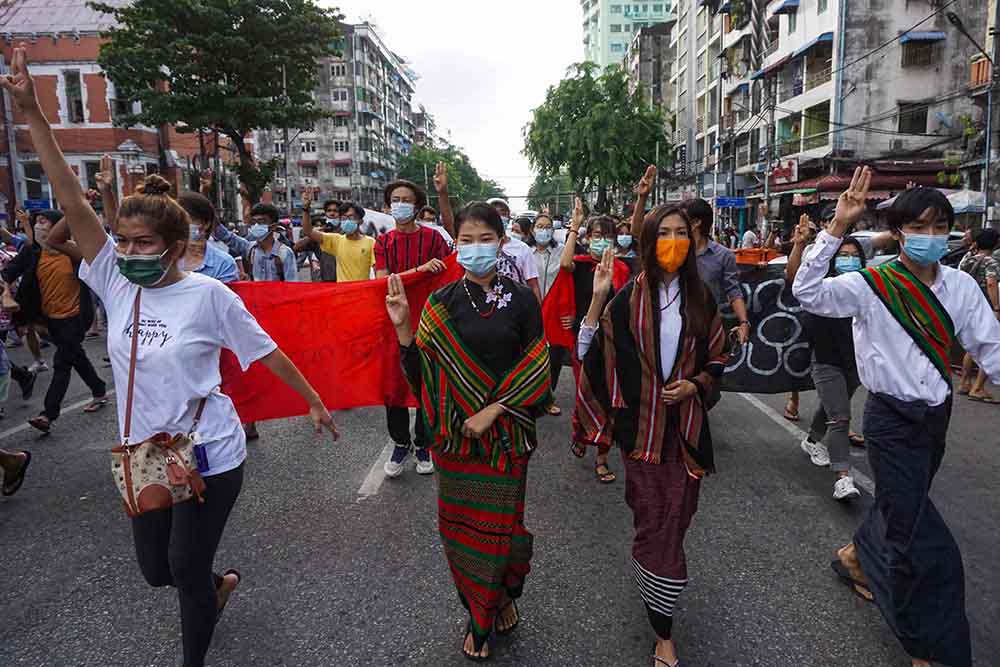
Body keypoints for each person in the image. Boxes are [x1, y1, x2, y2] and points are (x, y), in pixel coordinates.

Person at [0, 46, 340, 667]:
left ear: (176, 245)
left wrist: (314, 401)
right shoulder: (113, 280)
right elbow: (70, 199)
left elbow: (266, 354)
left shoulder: (210, 295)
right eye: (122, 240)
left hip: (208, 448)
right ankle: (215, 589)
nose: (127, 250)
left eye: (143, 242)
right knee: (156, 571)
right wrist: (32, 116)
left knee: (184, 567)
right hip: (142, 452)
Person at [792, 168, 1000, 667]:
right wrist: (836, 228)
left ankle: (855, 558)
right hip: (889, 421)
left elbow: (990, 347)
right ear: (900, 231)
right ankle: (927, 645)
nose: (931, 236)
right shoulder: (872, 284)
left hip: (935, 418)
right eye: (920, 227)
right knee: (924, 547)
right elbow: (808, 292)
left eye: (940, 226)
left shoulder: (962, 287)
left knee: (901, 508)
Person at [384, 201, 551, 661]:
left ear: (501, 242)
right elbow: (423, 377)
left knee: (504, 531)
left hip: (505, 440)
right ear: (456, 245)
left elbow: (539, 368)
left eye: (485, 239)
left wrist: (494, 409)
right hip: (455, 444)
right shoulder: (441, 303)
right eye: (466, 240)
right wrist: (402, 330)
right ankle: (479, 609)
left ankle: (499, 601)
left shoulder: (520, 299)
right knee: (461, 534)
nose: (476, 248)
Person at [576, 206, 728, 667]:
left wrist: (695, 384)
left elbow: (718, 359)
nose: (674, 242)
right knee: (654, 523)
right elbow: (589, 356)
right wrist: (598, 299)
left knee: (676, 521)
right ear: (646, 239)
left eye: (683, 233)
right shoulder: (624, 300)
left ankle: (656, 577)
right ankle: (663, 632)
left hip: (685, 434)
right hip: (640, 436)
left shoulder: (702, 299)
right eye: (664, 233)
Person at [3, 208, 108, 433]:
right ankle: (99, 389)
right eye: (37, 221)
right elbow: (7, 273)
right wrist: (6, 292)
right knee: (75, 356)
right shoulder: (32, 253)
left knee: (62, 364)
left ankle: (48, 414)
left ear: (58, 227)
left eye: (44, 222)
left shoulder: (73, 254)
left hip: (75, 318)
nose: (40, 226)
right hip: (49, 320)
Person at [786, 214, 866, 501]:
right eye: (843, 255)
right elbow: (795, 280)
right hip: (825, 359)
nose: (849, 260)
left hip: (855, 362)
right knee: (841, 417)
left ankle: (811, 441)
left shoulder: (864, 288)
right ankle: (843, 477)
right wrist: (800, 244)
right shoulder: (820, 289)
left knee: (832, 408)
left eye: (855, 256)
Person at [375, 178, 450, 478]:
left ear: (417, 206)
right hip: (394, 320)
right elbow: (383, 280)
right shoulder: (383, 242)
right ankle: (400, 442)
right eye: (396, 199)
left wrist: (443, 195)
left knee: (424, 383)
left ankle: (423, 444)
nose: (400, 204)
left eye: (407, 199)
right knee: (393, 386)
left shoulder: (434, 239)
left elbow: (453, 264)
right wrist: (419, 271)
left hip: (429, 321)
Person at [561, 198, 630, 483]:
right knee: (584, 392)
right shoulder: (578, 263)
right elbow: (564, 263)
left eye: (607, 236)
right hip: (582, 338)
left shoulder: (622, 269)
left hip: (612, 342)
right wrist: (575, 227)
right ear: (587, 238)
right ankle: (580, 431)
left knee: (609, 398)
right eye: (596, 235)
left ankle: (602, 455)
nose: (602, 241)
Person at [957, 228, 1000, 402]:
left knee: (972, 346)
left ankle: (964, 382)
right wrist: (996, 307)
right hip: (985, 309)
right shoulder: (991, 262)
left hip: (967, 306)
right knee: (989, 345)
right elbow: (991, 283)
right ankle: (978, 387)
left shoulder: (967, 259)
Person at [530, 213, 566, 416]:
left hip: (555, 313)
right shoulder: (525, 252)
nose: (544, 230)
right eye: (540, 226)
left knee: (554, 358)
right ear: (533, 229)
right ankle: (530, 396)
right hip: (532, 312)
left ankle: (548, 397)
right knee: (532, 357)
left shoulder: (561, 251)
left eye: (548, 226)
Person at [300, 189, 375, 283]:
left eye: (351, 217)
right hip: (341, 292)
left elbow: (376, 270)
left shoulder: (371, 242)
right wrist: (306, 209)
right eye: (344, 218)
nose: (347, 221)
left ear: (360, 221)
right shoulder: (336, 240)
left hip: (362, 292)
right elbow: (308, 231)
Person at [213, 203, 298, 282]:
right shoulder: (250, 249)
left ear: (274, 226)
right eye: (254, 222)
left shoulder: (285, 253)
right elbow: (226, 236)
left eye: (261, 222)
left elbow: (292, 286)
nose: (256, 225)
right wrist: (209, 210)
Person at [487, 199, 542, 302]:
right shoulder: (478, 248)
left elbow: (533, 284)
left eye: (503, 213)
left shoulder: (522, 249)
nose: (499, 216)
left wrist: (537, 314)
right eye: (494, 213)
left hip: (517, 309)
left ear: (508, 218)